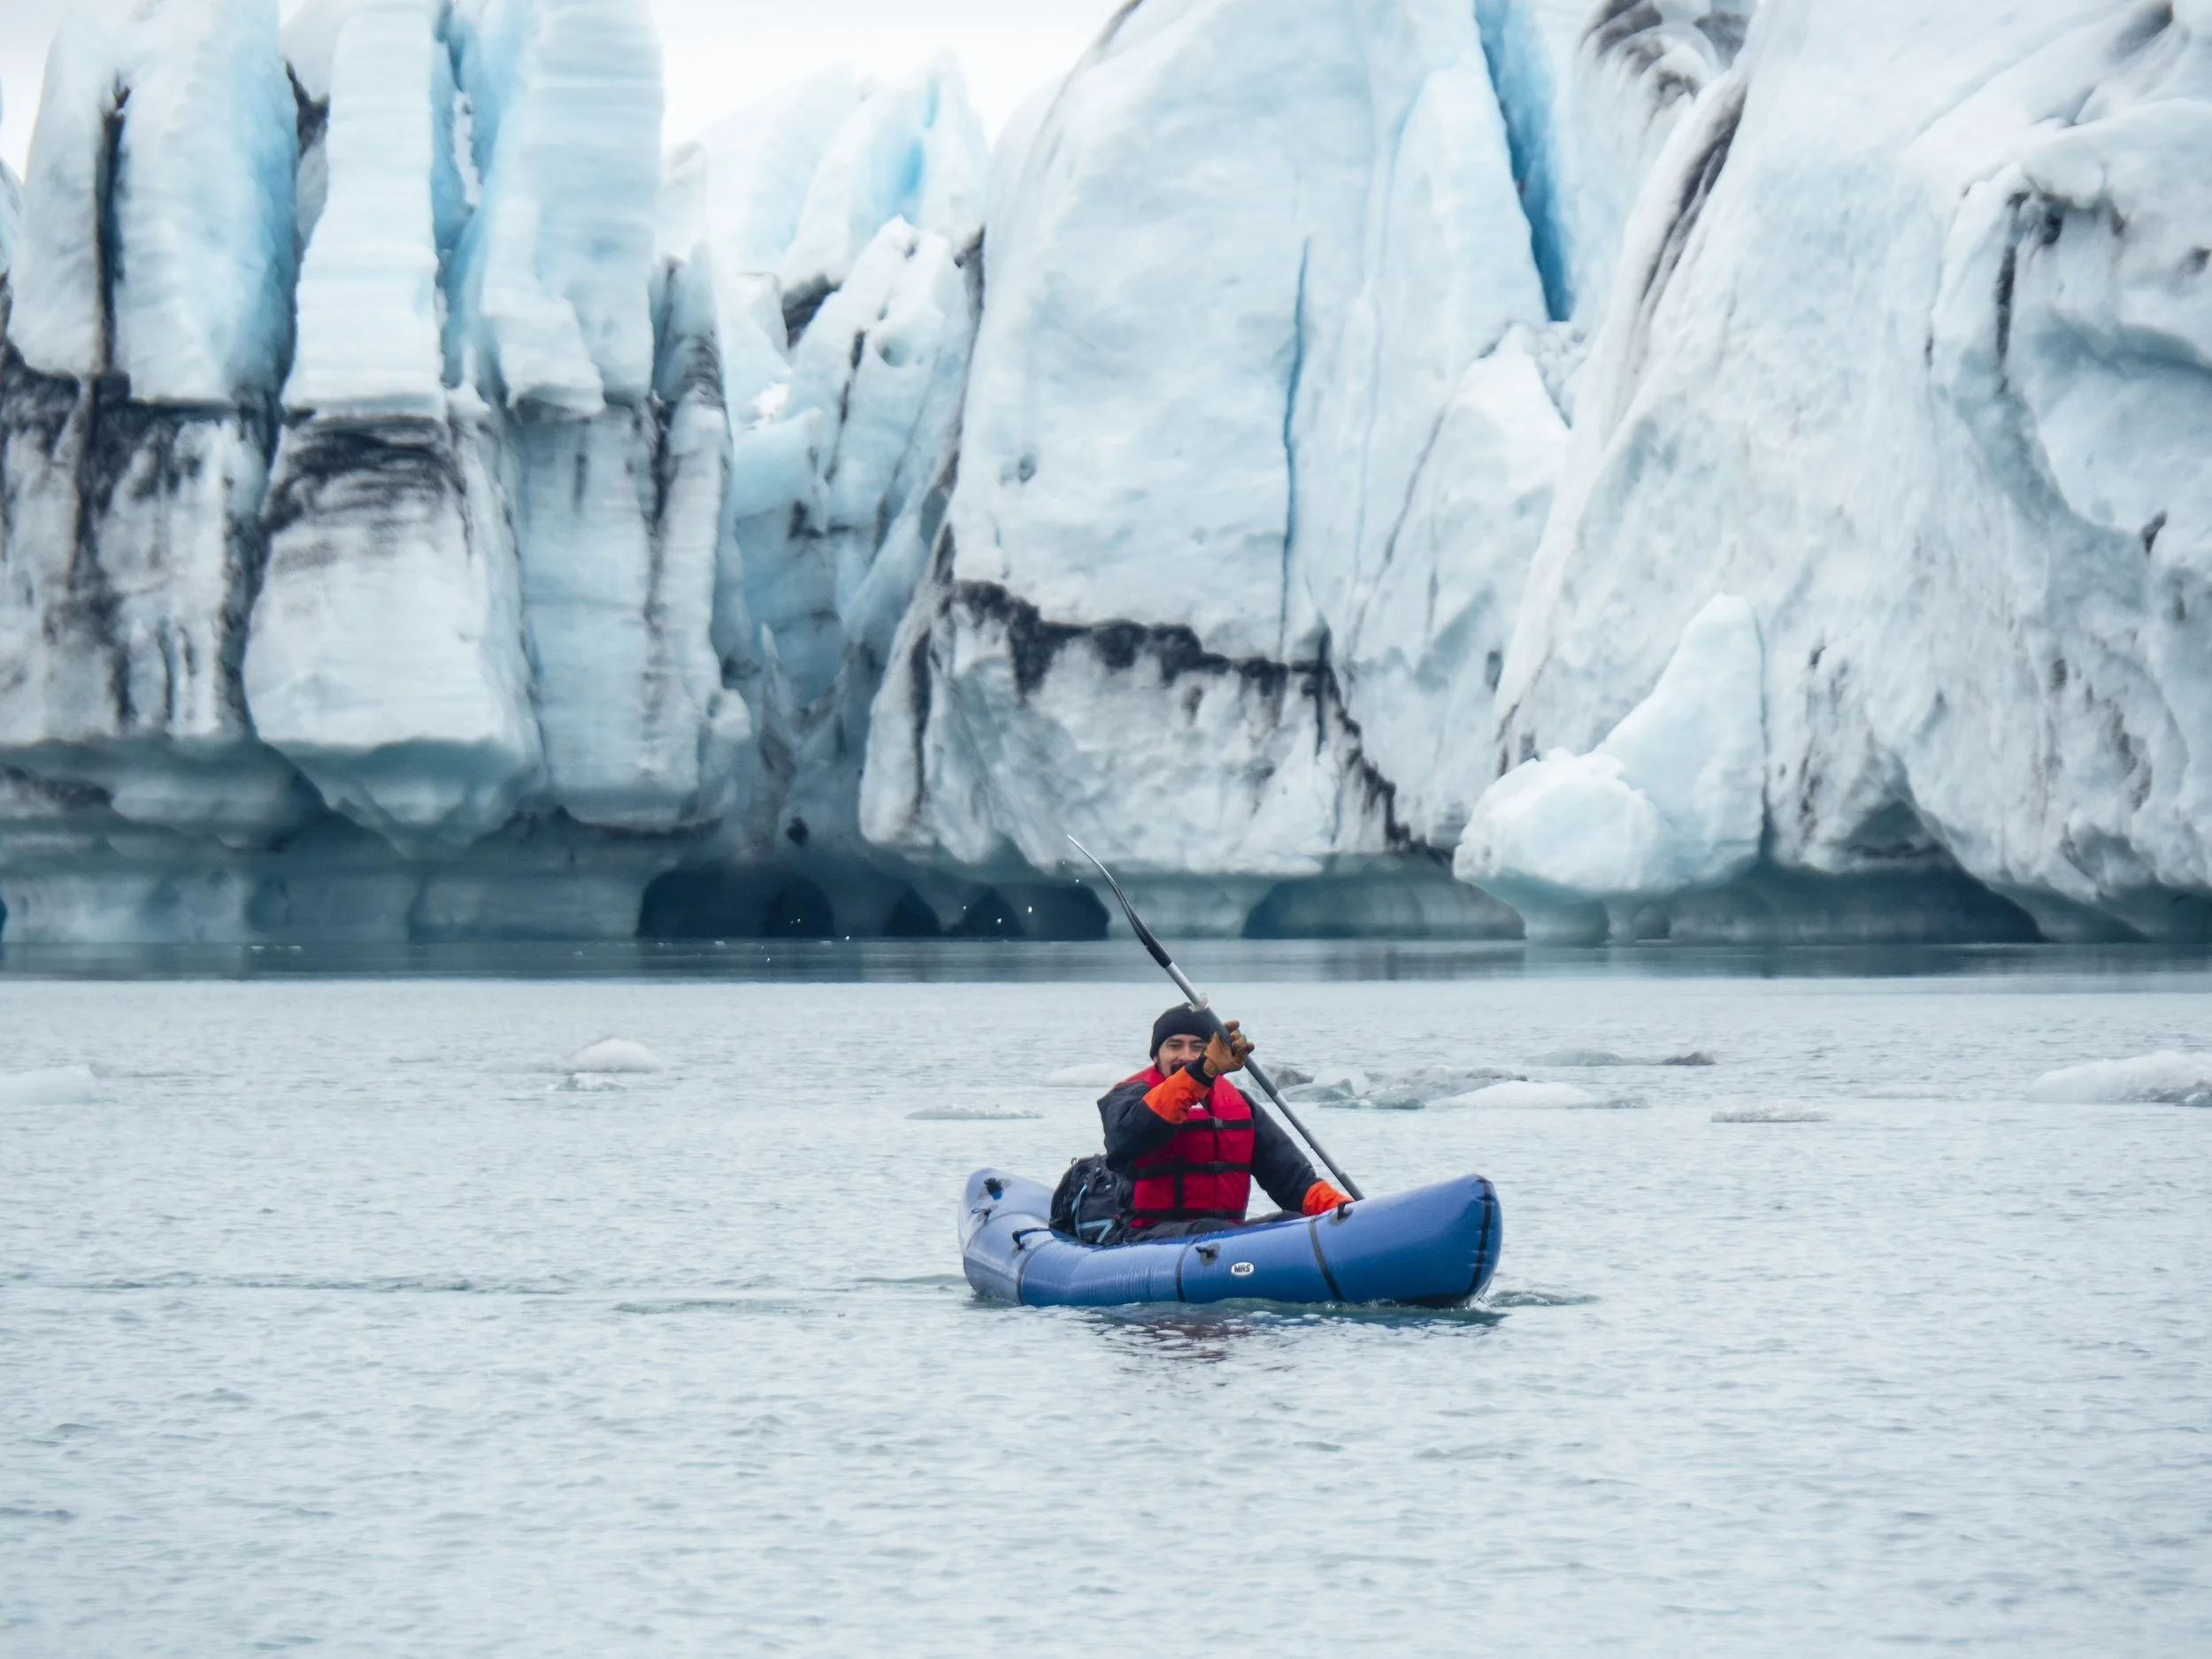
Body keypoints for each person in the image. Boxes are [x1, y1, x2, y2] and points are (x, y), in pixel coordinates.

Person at [1096, 1005, 1351, 1240]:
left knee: (1289, 1221)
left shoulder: (1240, 1106)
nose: (1185, 1056)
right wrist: (1200, 1072)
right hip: (1146, 1238)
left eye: (1198, 1047)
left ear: (1212, 1053)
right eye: (1174, 1046)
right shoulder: (1128, 1097)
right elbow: (1133, 1132)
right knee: (1212, 1231)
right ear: (1156, 1056)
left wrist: (1349, 1213)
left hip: (1223, 1241)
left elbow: (1295, 1183)